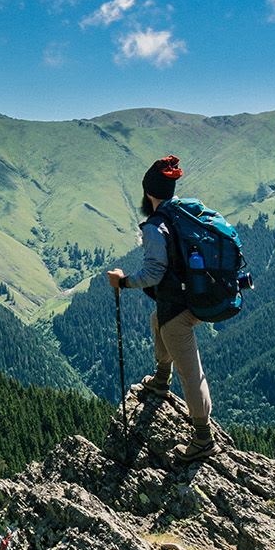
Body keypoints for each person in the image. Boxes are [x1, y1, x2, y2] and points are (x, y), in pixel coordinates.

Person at [106, 155, 218, 461]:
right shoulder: (184, 213)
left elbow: (154, 273)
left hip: (180, 308)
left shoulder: (157, 226)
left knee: (191, 371)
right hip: (196, 295)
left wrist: (124, 281)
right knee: (158, 321)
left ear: (148, 193)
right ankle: (160, 379)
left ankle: (203, 438)